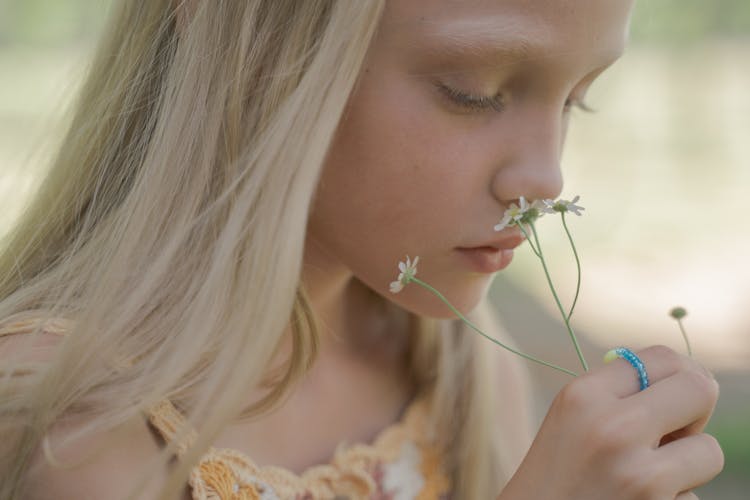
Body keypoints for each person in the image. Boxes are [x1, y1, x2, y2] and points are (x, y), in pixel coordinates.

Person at [0, 0, 724, 498]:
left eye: (575, 100)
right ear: (251, 41)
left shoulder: (459, 375)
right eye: (472, 92)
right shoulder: (70, 423)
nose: (545, 177)